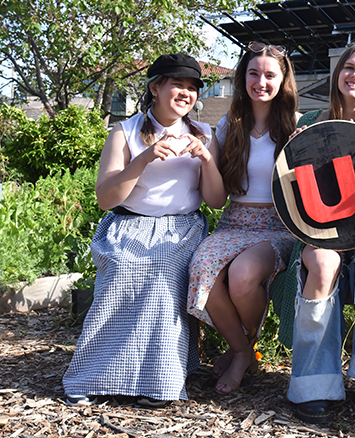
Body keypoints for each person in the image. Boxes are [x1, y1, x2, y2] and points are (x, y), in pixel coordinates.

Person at [63, 53, 225, 407]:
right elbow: (106, 198)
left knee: (164, 270)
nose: (185, 93)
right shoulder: (125, 132)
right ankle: (93, 375)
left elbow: (215, 200)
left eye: (192, 87)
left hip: (181, 229)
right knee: (122, 270)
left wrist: (207, 159)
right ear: (155, 88)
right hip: (128, 226)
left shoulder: (203, 134)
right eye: (177, 85)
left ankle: (160, 381)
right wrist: (144, 158)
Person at [270, 41, 355, 425]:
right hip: (320, 230)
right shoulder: (310, 120)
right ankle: (314, 381)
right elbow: (292, 186)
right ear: (338, 75)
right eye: (349, 68)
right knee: (322, 262)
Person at [187, 42, 298, 394]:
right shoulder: (227, 125)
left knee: (242, 275)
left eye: (270, 75)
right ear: (242, 77)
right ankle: (243, 350)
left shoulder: (296, 126)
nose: (260, 81)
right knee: (201, 264)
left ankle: (240, 352)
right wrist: (206, 159)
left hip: (278, 225)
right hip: (235, 221)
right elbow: (217, 201)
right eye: (253, 73)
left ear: (283, 81)